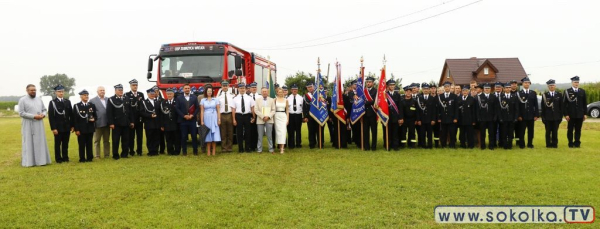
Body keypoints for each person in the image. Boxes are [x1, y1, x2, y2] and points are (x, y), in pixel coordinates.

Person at [18, 84, 51, 167]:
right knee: (28, 142)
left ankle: (41, 161)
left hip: (39, 124)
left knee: (40, 142)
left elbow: (44, 110)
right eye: (32, 90)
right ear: (27, 91)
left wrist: (43, 115)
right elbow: (21, 113)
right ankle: (29, 162)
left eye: (35, 90)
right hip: (28, 124)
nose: (33, 92)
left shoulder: (39, 99)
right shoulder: (22, 100)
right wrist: (33, 116)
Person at [107, 84, 134, 159]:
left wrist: (132, 121)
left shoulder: (126, 98)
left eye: (121, 90)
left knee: (125, 140)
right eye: (119, 90)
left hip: (126, 123)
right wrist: (111, 123)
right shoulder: (111, 99)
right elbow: (109, 112)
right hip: (116, 123)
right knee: (116, 140)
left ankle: (124, 154)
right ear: (115, 91)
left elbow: (130, 111)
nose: (121, 91)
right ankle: (115, 155)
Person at [48, 84, 73, 163]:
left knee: (65, 143)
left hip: (66, 126)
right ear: (55, 92)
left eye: (62, 91)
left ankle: (65, 157)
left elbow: (71, 115)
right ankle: (58, 158)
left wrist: (72, 125)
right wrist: (53, 128)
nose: (61, 93)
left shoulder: (67, 102)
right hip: (58, 127)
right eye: (59, 92)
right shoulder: (52, 103)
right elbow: (51, 116)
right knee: (58, 144)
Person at [73, 89, 97, 162]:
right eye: (84, 95)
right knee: (82, 144)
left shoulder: (91, 105)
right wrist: (77, 129)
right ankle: (82, 158)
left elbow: (95, 116)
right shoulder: (77, 106)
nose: (86, 96)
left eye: (87, 95)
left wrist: (94, 119)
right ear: (81, 96)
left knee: (89, 144)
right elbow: (75, 119)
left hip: (90, 128)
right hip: (81, 129)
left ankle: (90, 158)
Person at [175, 84, 199, 155]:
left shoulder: (194, 97)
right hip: (183, 120)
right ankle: (184, 151)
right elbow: (177, 108)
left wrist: (193, 115)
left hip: (192, 120)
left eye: (188, 88)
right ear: (183, 89)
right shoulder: (179, 98)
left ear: (190, 89)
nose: (187, 89)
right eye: (186, 88)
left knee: (194, 136)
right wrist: (183, 116)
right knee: (183, 136)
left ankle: (195, 151)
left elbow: (197, 108)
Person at [563, 76, 587, 148]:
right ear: (572, 83)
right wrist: (566, 114)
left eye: (577, 82)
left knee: (578, 129)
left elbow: (584, 103)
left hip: (580, 114)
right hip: (571, 115)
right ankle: (570, 143)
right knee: (570, 129)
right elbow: (564, 104)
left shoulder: (582, 91)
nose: (576, 84)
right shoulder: (567, 91)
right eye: (575, 82)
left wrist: (585, 114)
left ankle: (577, 143)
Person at [515, 77, 539, 148]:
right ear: (522, 84)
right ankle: (522, 144)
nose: (527, 84)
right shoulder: (519, 93)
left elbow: (536, 105)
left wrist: (536, 115)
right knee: (522, 131)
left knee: (531, 131)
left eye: (528, 83)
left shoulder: (533, 93)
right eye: (525, 83)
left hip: (531, 116)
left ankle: (530, 144)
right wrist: (518, 115)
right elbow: (517, 106)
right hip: (522, 116)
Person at [232, 83, 255, 153]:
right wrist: (233, 119)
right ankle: (240, 148)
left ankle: (247, 148)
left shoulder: (249, 98)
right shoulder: (235, 98)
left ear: (245, 89)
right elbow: (233, 109)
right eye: (241, 88)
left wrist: (254, 117)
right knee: (239, 133)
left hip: (247, 115)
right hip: (238, 116)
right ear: (238, 89)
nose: (242, 89)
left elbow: (252, 108)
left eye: (243, 88)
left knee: (248, 132)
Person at [125, 79, 145, 156]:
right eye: (133, 85)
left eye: (136, 85)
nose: (135, 86)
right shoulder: (127, 95)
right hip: (131, 119)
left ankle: (139, 151)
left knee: (139, 136)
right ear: (130, 86)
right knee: (131, 136)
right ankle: (131, 151)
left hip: (139, 119)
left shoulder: (141, 94)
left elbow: (142, 106)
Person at [90, 86, 110, 158]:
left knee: (106, 140)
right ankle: (97, 155)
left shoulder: (108, 99)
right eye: (100, 90)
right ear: (97, 92)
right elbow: (90, 113)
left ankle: (107, 154)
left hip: (107, 123)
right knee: (97, 141)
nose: (102, 91)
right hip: (98, 123)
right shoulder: (92, 100)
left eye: (103, 90)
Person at [540, 79, 562, 148]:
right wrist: (543, 118)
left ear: (555, 86)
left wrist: (560, 117)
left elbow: (561, 107)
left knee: (555, 132)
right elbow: (543, 108)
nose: (551, 87)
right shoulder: (545, 95)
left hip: (556, 117)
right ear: (548, 87)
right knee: (548, 132)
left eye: (553, 85)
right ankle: (548, 144)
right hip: (548, 117)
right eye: (550, 86)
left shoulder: (559, 95)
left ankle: (554, 144)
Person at [476, 83, 498, 150]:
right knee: (483, 133)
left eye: (488, 88)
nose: (487, 90)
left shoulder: (493, 97)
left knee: (491, 133)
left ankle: (491, 146)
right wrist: (478, 117)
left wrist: (495, 117)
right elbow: (477, 109)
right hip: (483, 119)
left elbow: (496, 108)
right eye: (486, 88)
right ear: (483, 89)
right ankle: (483, 146)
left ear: (490, 89)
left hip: (491, 119)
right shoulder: (480, 97)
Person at [200, 87, 221, 156]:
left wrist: (219, 119)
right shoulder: (203, 100)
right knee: (208, 134)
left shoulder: (216, 100)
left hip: (214, 117)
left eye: (211, 91)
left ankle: (214, 150)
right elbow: (202, 111)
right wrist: (202, 121)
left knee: (214, 134)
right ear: (206, 92)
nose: (209, 92)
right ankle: (208, 150)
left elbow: (218, 110)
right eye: (208, 91)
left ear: (212, 92)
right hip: (206, 118)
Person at [160, 88, 181, 155]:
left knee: (177, 138)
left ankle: (177, 151)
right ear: (166, 94)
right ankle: (170, 151)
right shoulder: (163, 103)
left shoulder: (177, 102)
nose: (169, 95)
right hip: (167, 124)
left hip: (176, 123)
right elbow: (162, 115)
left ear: (173, 94)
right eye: (168, 94)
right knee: (168, 139)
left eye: (170, 94)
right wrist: (162, 125)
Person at [498, 83, 519, 149]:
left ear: (510, 88)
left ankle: (510, 145)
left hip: (511, 118)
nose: (507, 89)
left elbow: (516, 109)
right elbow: (499, 109)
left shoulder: (514, 97)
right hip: (503, 118)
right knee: (504, 132)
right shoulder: (501, 97)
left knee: (510, 132)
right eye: (506, 88)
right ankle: (505, 145)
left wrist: (515, 118)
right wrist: (500, 118)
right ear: (504, 89)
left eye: (509, 88)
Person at [438, 81, 458, 148]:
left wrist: (455, 118)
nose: (447, 88)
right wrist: (439, 118)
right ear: (444, 88)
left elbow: (456, 108)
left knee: (452, 133)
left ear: (450, 87)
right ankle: (443, 145)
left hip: (451, 118)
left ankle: (452, 145)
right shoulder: (440, 96)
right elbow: (438, 109)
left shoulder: (454, 96)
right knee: (444, 133)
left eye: (448, 87)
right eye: (445, 87)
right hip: (443, 118)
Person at [141, 89, 161, 156]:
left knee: (156, 137)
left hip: (157, 123)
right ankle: (151, 151)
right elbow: (141, 112)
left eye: (153, 94)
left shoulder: (157, 102)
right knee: (149, 138)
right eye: (151, 94)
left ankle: (155, 150)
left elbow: (159, 112)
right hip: (149, 123)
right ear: (148, 94)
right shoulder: (144, 102)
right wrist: (150, 115)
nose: (152, 95)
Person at [255, 87, 276, 153]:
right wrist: (263, 116)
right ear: (261, 92)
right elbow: (256, 110)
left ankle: (271, 149)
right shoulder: (257, 100)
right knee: (260, 135)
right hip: (260, 119)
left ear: (268, 92)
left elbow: (273, 110)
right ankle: (259, 149)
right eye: (263, 91)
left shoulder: (271, 100)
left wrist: (268, 117)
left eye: (266, 91)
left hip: (269, 120)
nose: (264, 92)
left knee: (269, 135)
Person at [383, 79, 402, 151]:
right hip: (387, 116)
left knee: (395, 132)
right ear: (387, 86)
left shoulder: (398, 95)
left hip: (395, 117)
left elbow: (400, 107)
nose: (392, 86)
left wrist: (400, 117)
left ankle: (395, 146)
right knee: (387, 132)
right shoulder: (385, 95)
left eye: (393, 85)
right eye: (390, 85)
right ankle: (388, 145)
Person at [417, 83, 436, 149]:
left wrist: (433, 119)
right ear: (422, 90)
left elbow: (434, 110)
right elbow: (418, 111)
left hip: (430, 119)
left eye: (427, 89)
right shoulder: (419, 98)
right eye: (424, 89)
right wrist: (418, 119)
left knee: (429, 134)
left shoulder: (432, 98)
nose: (426, 90)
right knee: (422, 133)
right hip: (422, 120)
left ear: (429, 90)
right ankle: (423, 145)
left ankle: (430, 145)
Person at [303, 82, 322, 149]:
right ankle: (312, 144)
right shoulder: (305, 96)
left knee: (319, 130)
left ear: (314, 87)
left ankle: (320, 143)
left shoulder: (318, 94)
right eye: (308, 87)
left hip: (318, 115)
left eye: (311, 87)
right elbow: (304, 107)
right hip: (310, 116)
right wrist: (305, 116)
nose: (310, 88)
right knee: (311, 130)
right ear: (307, 88)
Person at [217, 80, 234, 152]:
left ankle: (229, 147)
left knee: (230, 132)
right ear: (221, 86)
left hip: (230, 114)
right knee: (223, 132)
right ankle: (224, 148)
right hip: (222, 115)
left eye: (226, 86)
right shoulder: (218, 97)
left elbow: (233, 107)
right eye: (223, 86)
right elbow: (218, 108)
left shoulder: (232, 95)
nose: (225, 87)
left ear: (228, 86)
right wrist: (219, 119)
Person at [363, 77, 378, 151]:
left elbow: (374, 101)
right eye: (367, 82)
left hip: (373, 114)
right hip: (365, 114)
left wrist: (365, 102)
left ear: (373, 83)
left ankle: (374, 146)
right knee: (365, 131)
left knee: (374, 131)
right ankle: (366, 146)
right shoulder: (363, 91)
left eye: (370, 82)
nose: (368, 83)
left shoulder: (376, 91)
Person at [287, 84, 303, 149]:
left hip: (298, 115)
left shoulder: (301, 98)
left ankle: (298, 144)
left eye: (296, 89)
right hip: (290, 115)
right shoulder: (288, 98)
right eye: (293, 89)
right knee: (291, 131)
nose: (294, 90)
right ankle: (291, 144)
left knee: (298, 130)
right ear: (291, 90)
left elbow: (303, 108)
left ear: (297, 90)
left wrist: (303, 117)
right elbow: (286, 108)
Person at [274, 88, 289, 154]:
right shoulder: (275, 100)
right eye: (279, 92)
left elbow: (287, 110)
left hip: (283, 116)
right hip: (277, 116)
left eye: (281, 92)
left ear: (283, 92)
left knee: (283, 131)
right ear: (277, 93)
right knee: (278, 132)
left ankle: (282, 148)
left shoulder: (286, 100)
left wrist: (287, 119)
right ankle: (280, 146)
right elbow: (273, 109)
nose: (280, 93)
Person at [153, 86, 166, 154]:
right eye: (154, 92)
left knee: (161, 136)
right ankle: (155, 149)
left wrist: (163, 123)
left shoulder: (163, 100)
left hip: (160, 120)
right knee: (155, 136)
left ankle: (162, 150)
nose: (155, 93)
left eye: (157, 91)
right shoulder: (151, 100)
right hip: (153, 121)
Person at [248, 82, 259, 151]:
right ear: (250, 89)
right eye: (252, 87)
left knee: (258, 131)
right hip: (250, 115)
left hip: (259, 115)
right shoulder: (247, 96)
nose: (254, 88)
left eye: (255, 87)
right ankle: (251, 146)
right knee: (251, 131)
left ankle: (257, 145)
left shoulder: (260, 96)